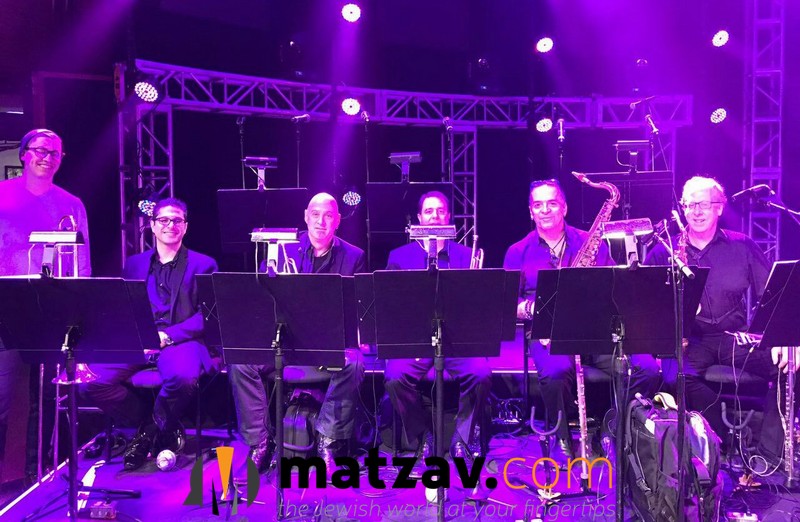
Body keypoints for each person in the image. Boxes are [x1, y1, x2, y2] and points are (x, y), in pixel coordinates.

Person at [503, 179, 661, 467]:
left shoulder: (591, 241)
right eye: (538, 205)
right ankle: (561, 436)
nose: (545, 210)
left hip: (596, 331)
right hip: (549, 333)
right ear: (530, 211)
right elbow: (506, 307)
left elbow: (615, 288)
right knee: (555, 372)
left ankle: (615, 428)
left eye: (552, 203)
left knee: (646, 368)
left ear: (564, 208)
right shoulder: (518, 252)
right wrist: (532, 308)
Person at [645, 175, 794, 461]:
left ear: (719, 208)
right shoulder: (665, 250)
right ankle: (720, 444)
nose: (696, 212)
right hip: (690, 341)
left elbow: (773, 296)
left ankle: (768, 457)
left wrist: (783, 339)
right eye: (690, 205)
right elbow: (646, 305)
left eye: (703, 204)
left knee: (788, 367)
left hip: (733, 338)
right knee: (675, 376)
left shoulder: (742, 246)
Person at [228, 192, 366, 478]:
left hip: (326, 345)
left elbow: (356, 310)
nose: (321, 222)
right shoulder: (283, 249)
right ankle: (259, 443)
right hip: (285, 343)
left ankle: (327, 439)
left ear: (338, 220)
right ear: (305, 217)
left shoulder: (354, 257)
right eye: (315, 214)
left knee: (354, 362)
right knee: (240, 361)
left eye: (328, 216)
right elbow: (261, 304)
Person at [83, 198, 218, 470]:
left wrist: (167, 336)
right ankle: (150, 423)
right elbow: (122, 307)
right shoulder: (134, 264)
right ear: (153, 226)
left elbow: (208, 315)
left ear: (186, 226)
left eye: (177, 220)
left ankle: (147, 434)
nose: (170, 225)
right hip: (139, 341)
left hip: (182, 341)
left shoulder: (204, 264)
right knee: (90, 381)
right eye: (163, 220)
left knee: (182, 378)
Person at [0, 128, 90, 481]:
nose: (47, 157)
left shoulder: (72, 204)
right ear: (23, 154)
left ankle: (38, 477)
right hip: (5, 306)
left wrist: (78, 314)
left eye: (55, 152)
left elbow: (82, 264)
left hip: (49, 310)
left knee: (47, 400)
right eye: (40, 150)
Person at [383, 191, 491, 462]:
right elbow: (391, 306)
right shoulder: (398, 257)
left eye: (440, 211)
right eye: (429, 212)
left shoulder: (466, 255)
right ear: (419, 218)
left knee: (481, 373)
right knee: (394, 377)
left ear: (448, 217)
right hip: (416, 341)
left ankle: (463, 438)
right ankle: (424, 436)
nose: (435, 216)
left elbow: (478, 306)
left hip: (456, 341)